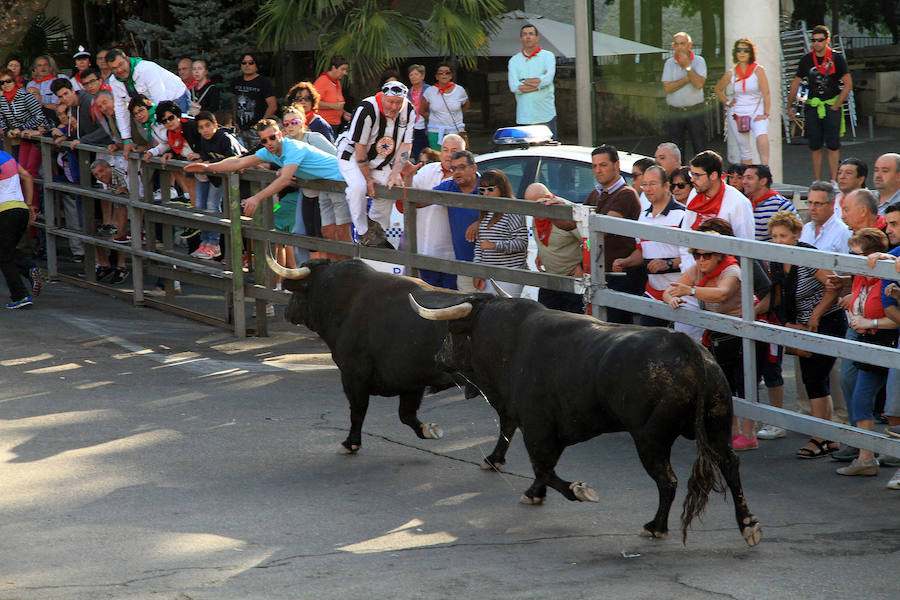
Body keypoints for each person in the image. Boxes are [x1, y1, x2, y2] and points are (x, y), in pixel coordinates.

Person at [185, 118, 344, 264]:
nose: (269, 143)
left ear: (280, 134)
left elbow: (285, 179)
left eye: (272, 137)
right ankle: (337, 271)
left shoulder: (293, 147)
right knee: (327, 233)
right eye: (264, 140)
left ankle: (349, 271)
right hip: (323, 186)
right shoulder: (268, 151)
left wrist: (256, 198)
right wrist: (209, 167)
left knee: (341, 232)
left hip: (341, 181)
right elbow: (239, 162)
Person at [768, 210, 845, 458]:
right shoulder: (776, 260)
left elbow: (833, 285)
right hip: (801, 325)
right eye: (774, 236)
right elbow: (778, 296)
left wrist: (816, 315)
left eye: (783, 235)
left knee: (814, 379)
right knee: (814, 380)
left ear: (796, 235)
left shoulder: (807, 256)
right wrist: (785, 324)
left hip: (827, 321)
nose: (778, 241)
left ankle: (819, 437)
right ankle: (829, 438)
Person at [835, 228, 899, 476]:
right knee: (862, 397)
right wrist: (854, 314)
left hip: (887, 340)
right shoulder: (860, 277)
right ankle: (866, 457)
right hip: (868, 342)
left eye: (857, 255)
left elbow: (895, 319)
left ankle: (883, 457)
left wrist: (868, 323)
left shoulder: (886, 275)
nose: (853, 260)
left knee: (892, 406)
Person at [337, 81, 415, 247]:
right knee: (358, 187)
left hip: (381, 158)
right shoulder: (366, 109)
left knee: (390, 185)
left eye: (398, 103)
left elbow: (406, 145)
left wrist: (396, 172)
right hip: (352, 155)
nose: (394, 107)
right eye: (390, 102)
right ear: (382, 98)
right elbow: (360, 147)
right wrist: (368, 178)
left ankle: (377, 229)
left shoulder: (409, 110)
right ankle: (363, 231)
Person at [612, 165, 685, 326]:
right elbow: (641, 251)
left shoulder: (682, 215)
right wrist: (626, 262)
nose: (648, 189)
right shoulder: (643, 217)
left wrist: (668, 263)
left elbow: (693, 256)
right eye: (645, 184)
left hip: (680, 294)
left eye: (653, 184)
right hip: (652, 293)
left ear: (666, 186)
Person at [584, 144, 643, 324]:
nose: (598, 170)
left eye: (603, 165)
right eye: (594, 166)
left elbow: (603, 229)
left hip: (620, 274)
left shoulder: (626, 194)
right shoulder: (596, 193)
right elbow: (573, 224)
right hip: (600, 273)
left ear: (616, 166)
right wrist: (555, 203)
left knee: (618, 330)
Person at [788, 25, 852, 182]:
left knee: (833, 145)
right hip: (813, 106)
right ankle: (817, 181)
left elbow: (848, 84)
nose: (816, 43)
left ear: (827, 41)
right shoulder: (806, 59)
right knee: (815, 145)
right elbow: (796, 83)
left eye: (820, 40)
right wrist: (790, 106)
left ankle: (833, 181)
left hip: (831, 105)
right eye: (813, 40)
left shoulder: (837, 58)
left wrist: (836, 105)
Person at [405, 133, 464, 289]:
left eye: (454, 150)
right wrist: (408, 177)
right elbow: (405, 203)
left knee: (451, 303)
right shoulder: (427, 170)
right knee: (427, 300)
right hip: (426, 253)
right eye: (445, 150)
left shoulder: (468, 178)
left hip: (454, 257)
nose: (449, 154)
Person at [105, 48, 189, 151]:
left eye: (121, 64)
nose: (119, 70)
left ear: (127, 59)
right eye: (114, 68)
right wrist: (126, 139)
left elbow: (160, 100)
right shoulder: (114, 81)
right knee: (163, 142)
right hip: (152, 108)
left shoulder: (146, 69)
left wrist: (160, 135)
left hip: (176, 98)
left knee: (180, 137)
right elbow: (120, 109)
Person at [191, 111, 245, 259]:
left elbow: (234, 158)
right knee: (200, 206)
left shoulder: (225, 138)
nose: (205, 130)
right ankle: (205, 242)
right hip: (214, 176)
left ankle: (214, 244)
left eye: (208, 126)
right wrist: (201, 159)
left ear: (215, 125)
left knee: (212, 205)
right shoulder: (204, 140)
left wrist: (210, 163)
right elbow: (206, 157)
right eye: (201, 127)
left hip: (230, 178)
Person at [468, 169, 528, 296]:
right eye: (482, 190)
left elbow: (521, 243)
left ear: (502, 188)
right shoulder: (486, 211)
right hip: (488, 274)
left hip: (510, 274)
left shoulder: (513, 210)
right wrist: (478, 270)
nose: (486, 194)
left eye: (490, 189)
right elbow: (480, 245)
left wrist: (494, 245)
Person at [527, 182, 584, 313]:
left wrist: (582, 265)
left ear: (547, 197)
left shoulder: (565, 211)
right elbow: (541, 234)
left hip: (571, 279)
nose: (532, 211)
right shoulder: (539, 211)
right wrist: (540, 253)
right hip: (550, 277)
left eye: (535, 204)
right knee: (545, 319)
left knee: (572, 324)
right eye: (528, 204)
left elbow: (590, 242)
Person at [715, 38, 771, 165]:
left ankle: (765, 169)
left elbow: (766, 93)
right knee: (745, 150)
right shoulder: (732, 72)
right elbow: (718, 89)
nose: (742, 53)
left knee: (762, 134)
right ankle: (747, 178)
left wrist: (766, 113)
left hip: (757, 111)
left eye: (745, 50)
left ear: (751, 53)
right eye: (739, 50)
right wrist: (727, 102)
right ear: (735, 53)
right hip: (738, 113)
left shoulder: (758, 70)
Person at [430, 150, 480, 293]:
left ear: (474, 168)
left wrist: (481, 222)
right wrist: (407, 178)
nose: (457, 172)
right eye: (453, 169)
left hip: (494, 264)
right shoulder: (449, 186)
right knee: (470, 309)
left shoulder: (489, 184)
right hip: (464, 266)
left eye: (462, 167)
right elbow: (419, 200)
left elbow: (507, 210)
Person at [0, 68, 49, 209]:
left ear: (14, 81)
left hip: (37, 137)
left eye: (8, 81)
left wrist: (20, 128)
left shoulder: (25, 96)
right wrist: (7, 130)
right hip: (23, 138)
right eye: (2, 83)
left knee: (31, 172)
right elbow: (1, 118)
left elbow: (40, 116)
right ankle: (25, 206)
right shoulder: (3, 100)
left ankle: (33, 206)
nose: (5, 85)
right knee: (21, 172)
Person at [661, 32, 707, 160]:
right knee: (675, 149)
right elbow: (667, 88)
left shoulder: (699, 61)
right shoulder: (669, 63)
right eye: (677, 44)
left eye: (683, 43)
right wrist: (687, 79)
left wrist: (687, 66)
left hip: (695, 110)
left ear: (690, 45)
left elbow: (698, 84)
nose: (680, 47)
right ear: (673, 46)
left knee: (700, 147)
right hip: (675, 111)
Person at [0, 150, 37, 309]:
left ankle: (20, 295)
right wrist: (29, 205)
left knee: (4, 256)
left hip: (4, 211)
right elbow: (27, 176)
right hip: (20, 208)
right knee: (7, 250)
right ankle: (29, 268)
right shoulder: (5, 155)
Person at [507, 23, 557, 138]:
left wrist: (523, 80)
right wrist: (539, 82)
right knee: (527, 153)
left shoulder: (548, 56)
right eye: (524, 34)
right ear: (521, 39)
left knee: (549, 152)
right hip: (525, 116)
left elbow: (547, 80)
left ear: (537, 38)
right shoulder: (514, 60)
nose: (528, 37)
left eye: (531, 34)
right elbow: (514, 87)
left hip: (546, 115)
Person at [743, 164, 798, 242]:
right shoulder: (744, 204)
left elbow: (797, 232)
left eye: (749, 178)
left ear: (763, 181)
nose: (744, 182)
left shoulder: (780, 204)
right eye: (743, 178)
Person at [233, 52, 276, 150]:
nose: (247, 65)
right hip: (240, 128)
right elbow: (235, 102)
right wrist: (235, 121)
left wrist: (261, 125)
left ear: (256, 65)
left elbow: (272, 105)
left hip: (257, 130)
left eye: (251, 63)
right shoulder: (237, 81)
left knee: (258, 158)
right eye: (244, 63)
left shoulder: (263, 82)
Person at [421, 63, 469, 151]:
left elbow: (466, 104)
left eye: (447, 73)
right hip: (435, 131)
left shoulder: (459, 90)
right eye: (440, 73)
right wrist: (433, 120)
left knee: (456, 158)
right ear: (436, 76)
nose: (444, 75)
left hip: (455, 131)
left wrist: (458, 115)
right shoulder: (430, 91)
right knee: (438, 158)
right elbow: (422, 110)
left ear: (451, 76)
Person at [800, 180, 851, 254]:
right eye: (810, 203)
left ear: (832, 204)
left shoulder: (842, 232)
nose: (812, 208)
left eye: (817, 204)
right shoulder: (806, 229)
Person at [313, 56, 351, 136]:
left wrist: (343, 112)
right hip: (323, 125)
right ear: (334, 68)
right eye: (342, 69)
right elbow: (314, 102)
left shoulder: (337, 83)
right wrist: (334, 106)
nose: (345, 73)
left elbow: (337, 104)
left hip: (335, 124)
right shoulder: (322, 81)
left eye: (346, 70)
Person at [26, 55, 67, 120]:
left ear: (51, 67)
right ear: (35, 69)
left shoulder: (59, 79)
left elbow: (56, 105)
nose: (43, 68)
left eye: (45, 65)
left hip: (58, 115)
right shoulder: (31, 84)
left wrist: (43, 106)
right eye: (39, 65)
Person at [406, 64, 430, 162]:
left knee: (430, 153)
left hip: (428, 126)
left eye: (416, 74)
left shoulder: (429, 89)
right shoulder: (407, 92)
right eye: (411, 75)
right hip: (414, 128)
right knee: (417, 154)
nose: (413, 77)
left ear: (422, 76)